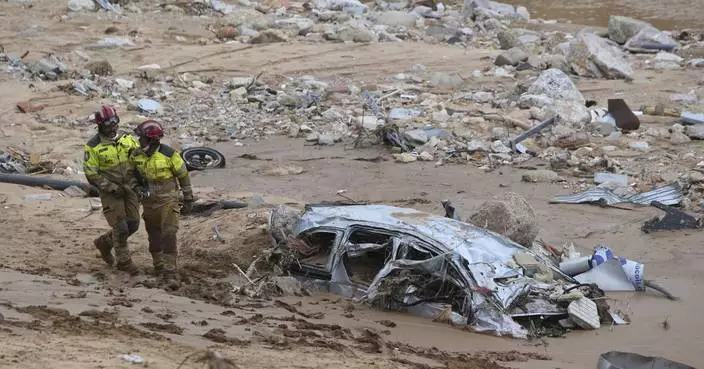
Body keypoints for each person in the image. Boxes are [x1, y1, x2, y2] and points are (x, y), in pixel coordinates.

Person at [130, 120, 194, 290]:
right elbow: (133, 178)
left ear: (150, 139)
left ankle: (171, 271)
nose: (138, 141)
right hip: (149, 202)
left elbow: (183, 176)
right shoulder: (136, 155)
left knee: (169, 233)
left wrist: (188, 199)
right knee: (154, 234)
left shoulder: (170, 154)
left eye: (141, 138)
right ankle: (159, 266)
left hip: (168, 200)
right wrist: (138, 189)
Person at [83, 105, 141, 274]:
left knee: (133, 224)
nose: (112, 128)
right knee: (121, 227)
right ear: (100, 126)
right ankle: (124, 262)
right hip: (110, 190)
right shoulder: (93, 146)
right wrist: (111, 187)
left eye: (114, 123)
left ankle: (104, 243)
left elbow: (139, 160)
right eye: (107, 125)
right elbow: (90, 172)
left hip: (130, 187)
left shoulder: (128, 139)